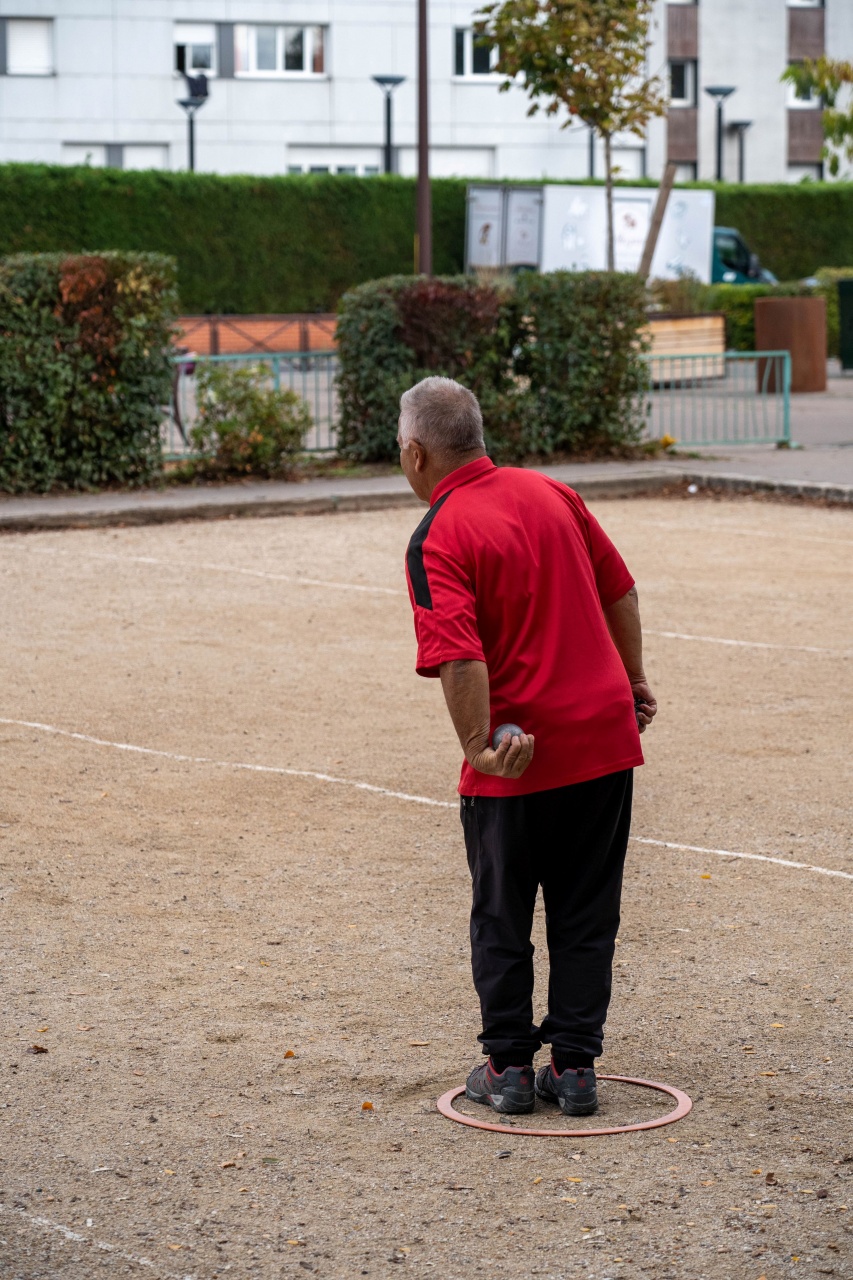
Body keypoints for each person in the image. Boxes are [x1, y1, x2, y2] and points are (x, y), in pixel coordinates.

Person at [399, 376, 657, 1117]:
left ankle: (508, 1067)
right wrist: (631, 681)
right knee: (586, 911)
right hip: (602, 741)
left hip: (518, 756)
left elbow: (459, 655)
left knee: (502, 914)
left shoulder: (438, 533)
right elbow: (621, 592)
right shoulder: (554, 494)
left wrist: (479, 748)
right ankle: (575, 1071)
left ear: (416, 452)